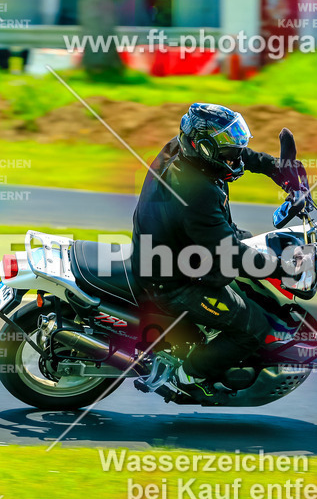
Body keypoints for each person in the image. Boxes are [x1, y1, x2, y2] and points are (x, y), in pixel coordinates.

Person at [131, 103, 307, 396]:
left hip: (179, 251)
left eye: (234, 145)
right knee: (255, 327)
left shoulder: (181, 149)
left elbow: (242, 156)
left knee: (253, 249)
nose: (234, 155)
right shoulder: (195, 192)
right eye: (227, 149)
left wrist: (276, 168)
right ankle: (187, 376)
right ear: (204, 148)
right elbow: (229, 254)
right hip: (175, 282)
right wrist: (284, 266)